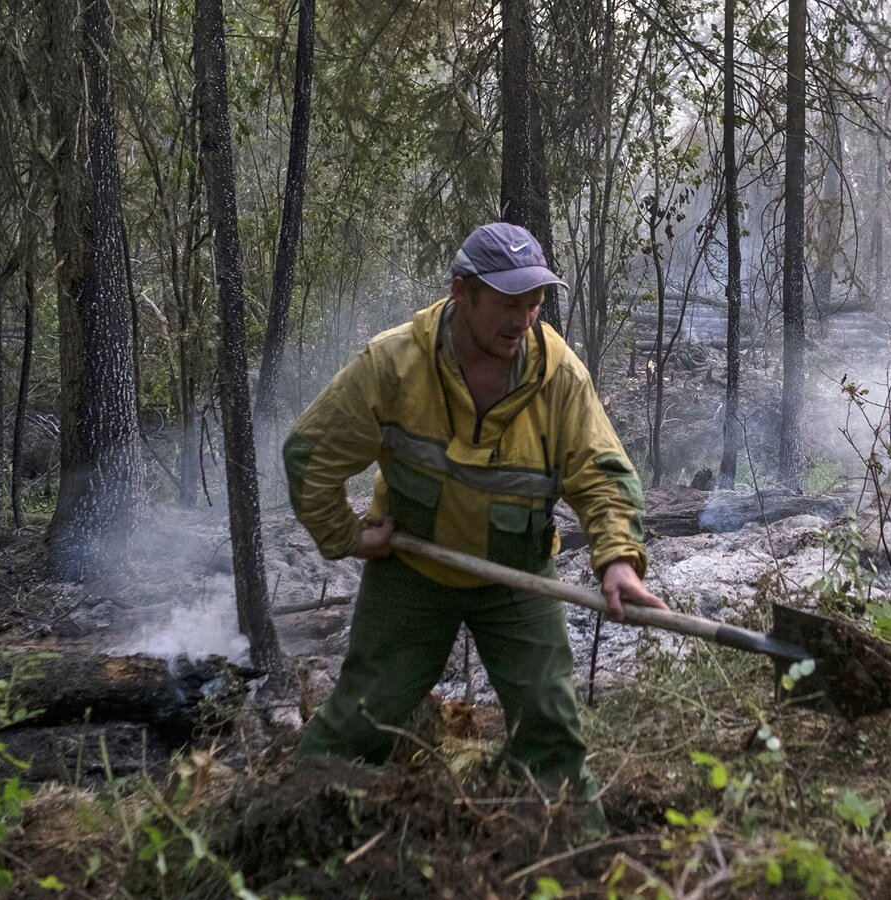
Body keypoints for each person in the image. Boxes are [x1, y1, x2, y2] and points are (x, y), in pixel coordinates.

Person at [283, 222, 666, 832]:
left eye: (535, 303)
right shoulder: (394, 364)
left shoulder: (559, 377)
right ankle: (289, 834)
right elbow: (311, 453)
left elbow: (602, 472)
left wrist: (617, 558)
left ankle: (579, 859)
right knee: (360, 719)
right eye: (509, 305)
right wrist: (345, 535)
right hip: (412, 572)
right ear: (463, 293)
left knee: (550, 726)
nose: (524, 320)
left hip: (519, 580)